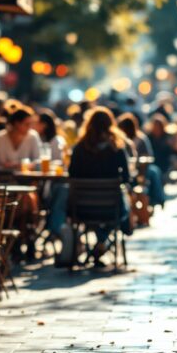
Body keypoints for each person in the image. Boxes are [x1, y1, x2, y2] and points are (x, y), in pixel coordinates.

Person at [68, 107, 131, 265]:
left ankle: (100, 242)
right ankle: (102, 242)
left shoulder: (79, 148)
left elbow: (72, 174)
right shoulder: (117, 148)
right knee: (121, 207)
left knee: (97, 212)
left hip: (82, 208)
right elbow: (126, 177)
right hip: (111, 208)